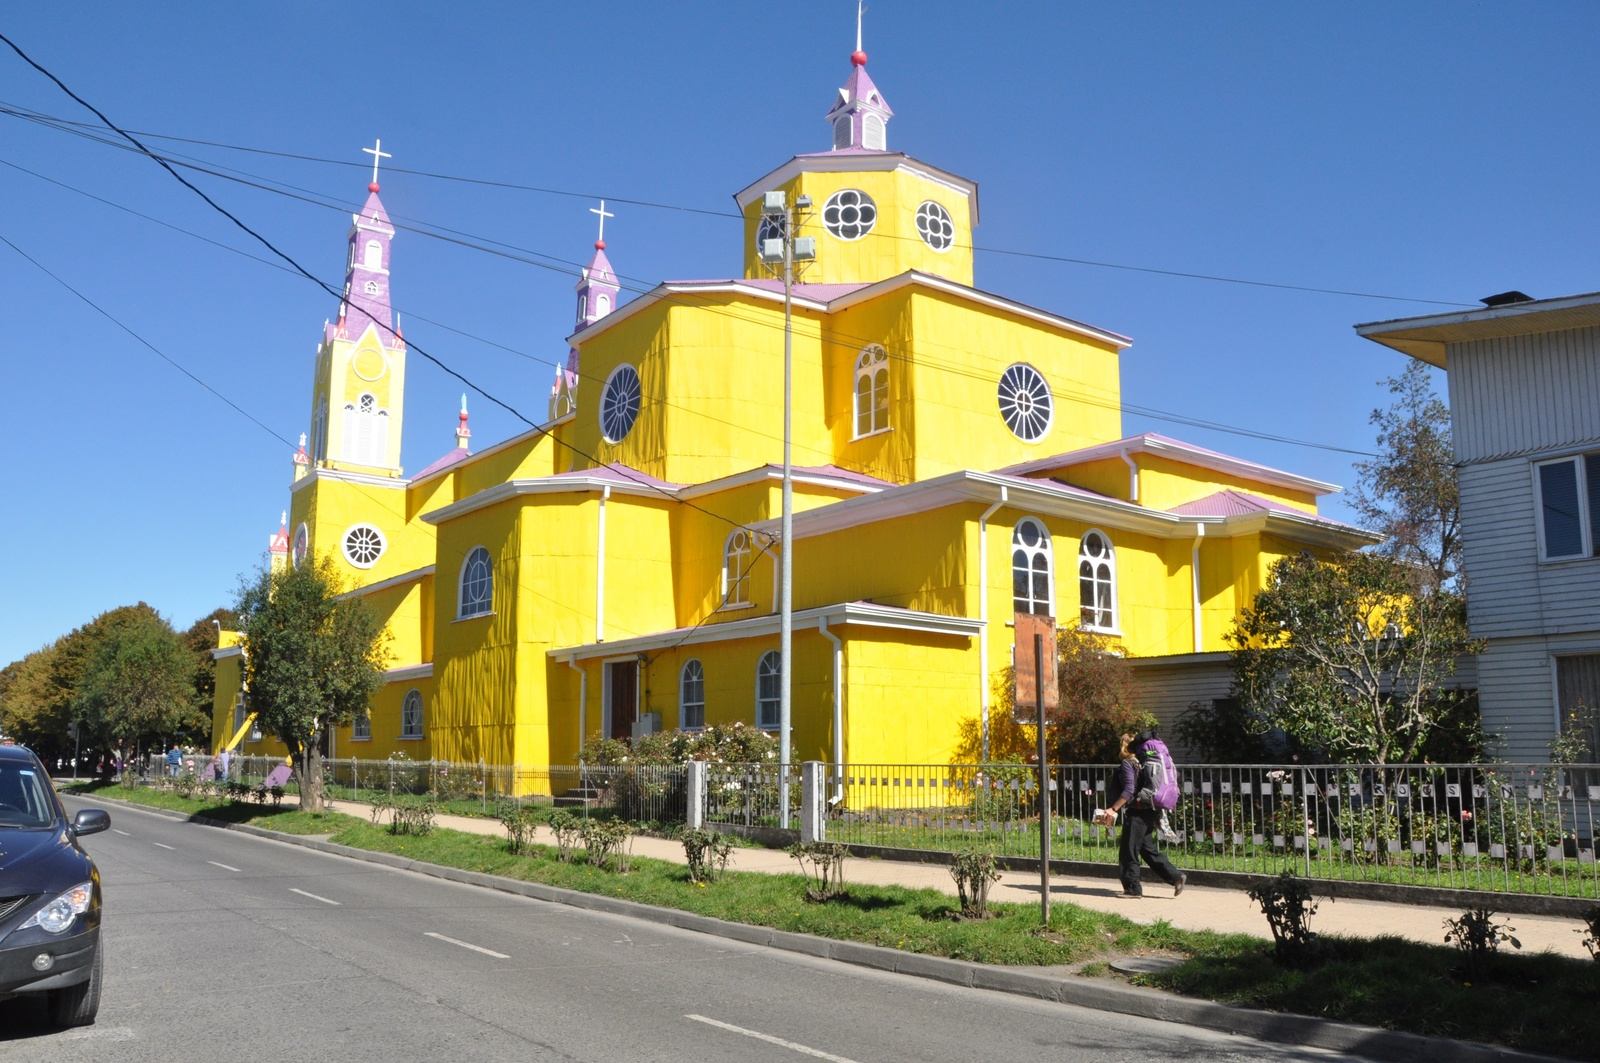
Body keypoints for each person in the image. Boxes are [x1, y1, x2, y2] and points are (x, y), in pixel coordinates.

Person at [1103, 732, 1186, 898]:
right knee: (1147, 850)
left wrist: (1113, 809)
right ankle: (1176, 877)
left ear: (1124, 746)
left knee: (1128, 851)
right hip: (1149, 809)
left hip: (1138, 811)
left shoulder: (1128, 764)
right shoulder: (1143, 762)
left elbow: (1128, 791)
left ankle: (1133, 889)